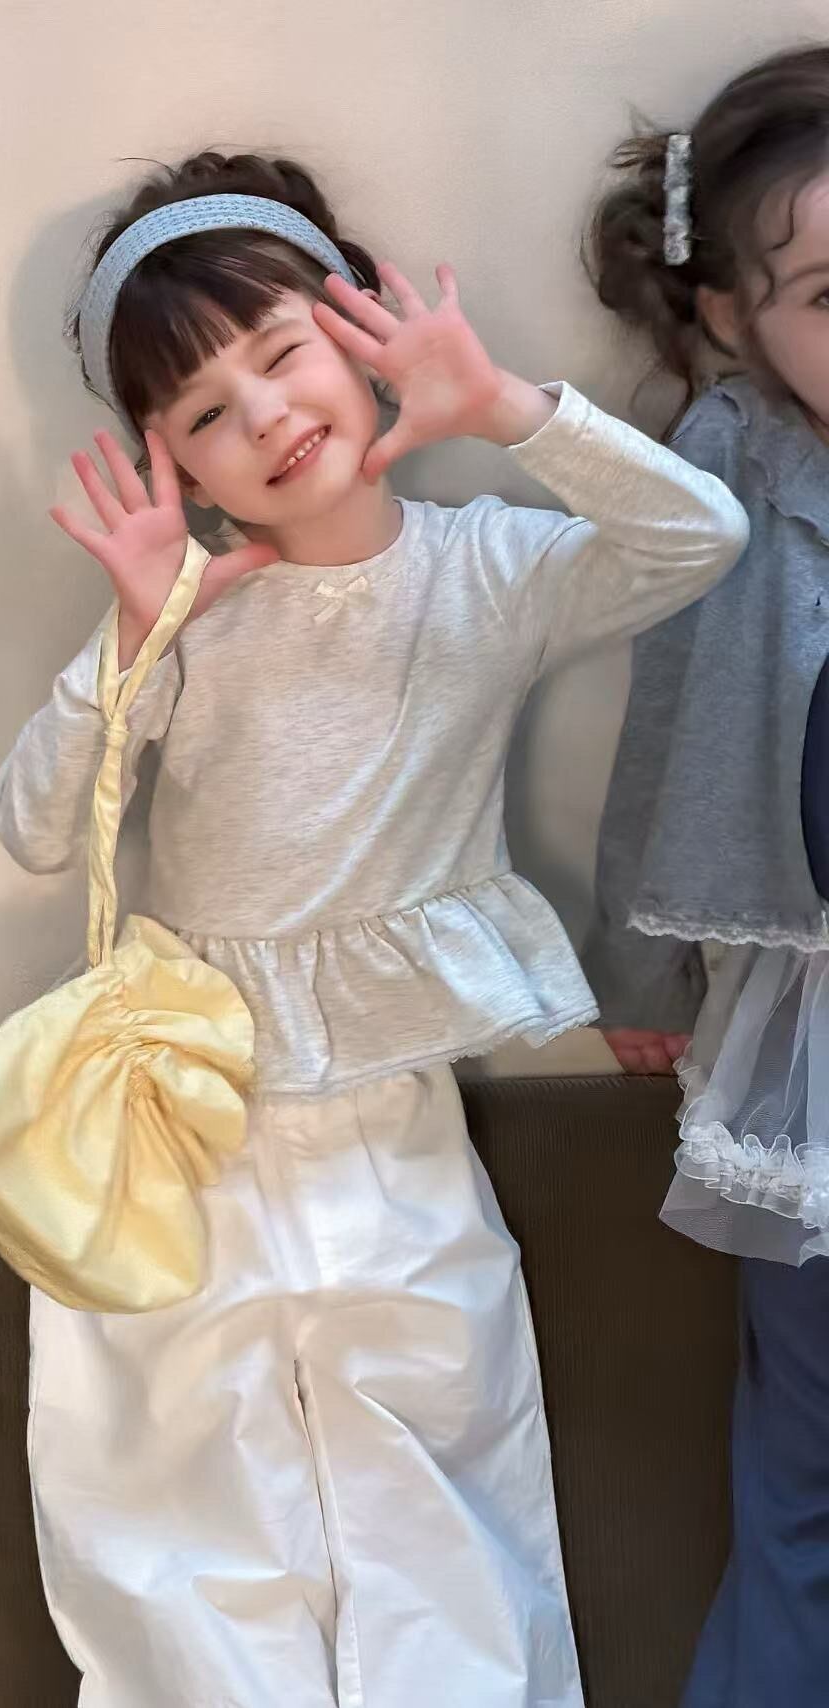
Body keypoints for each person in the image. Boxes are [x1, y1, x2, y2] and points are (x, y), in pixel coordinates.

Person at [0, 148, 746, 1706]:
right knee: (185, 1506)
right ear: (173, 463)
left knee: (437, 1485)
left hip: (389, 1113)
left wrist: (507, 410)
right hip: (179, 1111)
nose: (267, 415)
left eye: (284, 354)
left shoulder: (486, 572)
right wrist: (130, 634)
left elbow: (698, 541)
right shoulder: (193, 611)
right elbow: (35, 829)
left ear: (359, 331)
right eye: (207, 411)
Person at [583, 45, 829, 1708]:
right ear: (734, 315)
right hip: (808, 1046)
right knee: (802, 1471)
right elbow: (665, 725)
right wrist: (640, 969)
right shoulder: (727, 470)